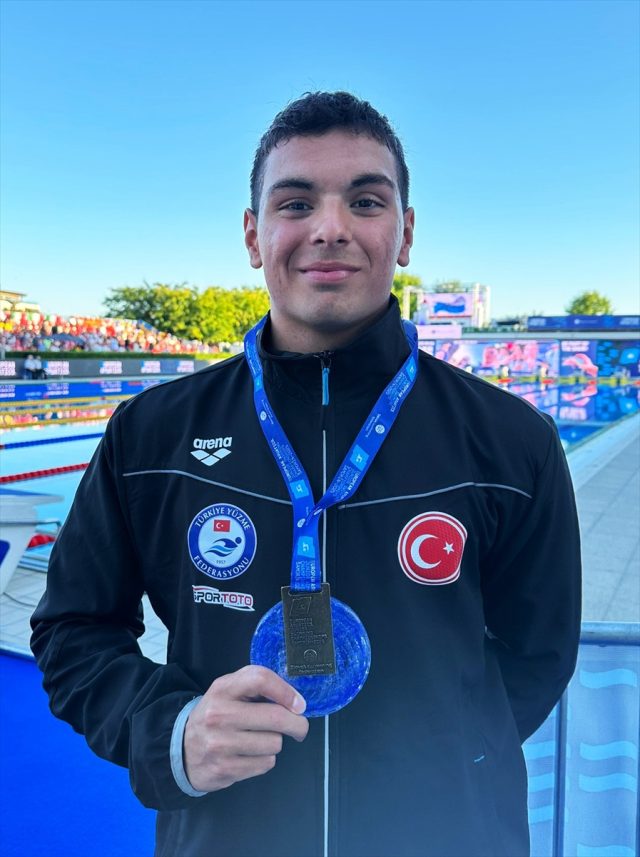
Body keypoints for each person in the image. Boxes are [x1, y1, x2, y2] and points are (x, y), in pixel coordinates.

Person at [31, 92, 581, 857]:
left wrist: (444, 757)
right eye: (296, 202)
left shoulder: (511, 443)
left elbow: (539, 654)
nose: (330, 227)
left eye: (365, 200)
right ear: (253, 235)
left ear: (405, 232)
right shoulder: (153, 434)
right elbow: (72, 629)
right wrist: (171, 729)